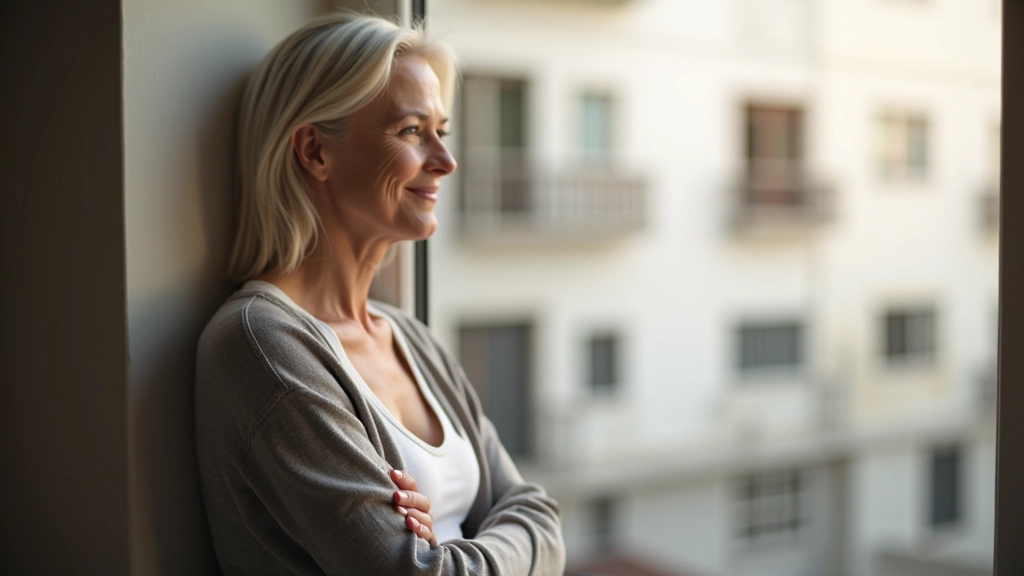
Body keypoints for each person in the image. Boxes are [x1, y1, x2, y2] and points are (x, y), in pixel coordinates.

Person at [194, 12, 565, 576]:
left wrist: (447, 552)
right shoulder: (262, 346)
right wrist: (484, 544)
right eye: (411, 131)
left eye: (442, 130)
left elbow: (542, 517)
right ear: (315, 151)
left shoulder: (409, 337)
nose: (444, 161)